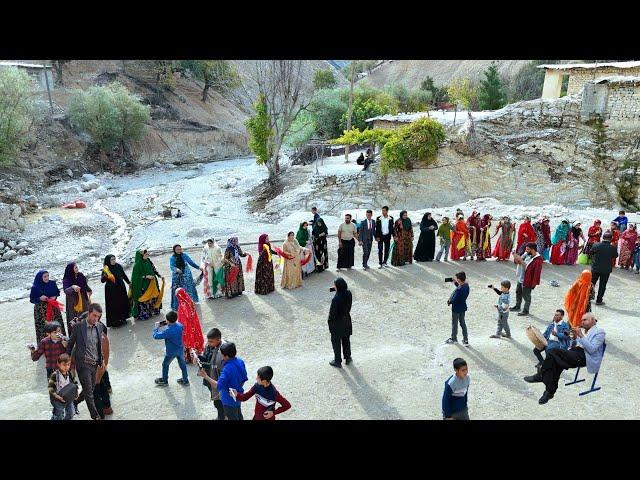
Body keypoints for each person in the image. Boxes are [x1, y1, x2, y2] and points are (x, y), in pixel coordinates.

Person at [525, 313, 605, 404]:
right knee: (556, 362)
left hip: (585, 356)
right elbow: (575, 344)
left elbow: (591, 349)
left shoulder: (599, 332)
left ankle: (541, 376)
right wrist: (574, 337)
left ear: (593, 320)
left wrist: (581, 335)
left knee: (553, 352)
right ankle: (549, 392)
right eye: (582, 320)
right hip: (575, 352)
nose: (582, 322)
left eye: (585, 320)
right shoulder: (582, 330)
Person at [66, 303, 106, 420]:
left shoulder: (99, 327)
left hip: (95, 364)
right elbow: (70, 344)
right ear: (89, 313)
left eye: (98, 316)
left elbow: (98, 346)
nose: (96, 319)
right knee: (89, 393)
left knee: (89, 390)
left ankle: (76, 401)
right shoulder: (78, 327)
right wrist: (67, 362)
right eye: (94, 315)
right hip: (83, 364)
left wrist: (102, 359)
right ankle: (95, 416)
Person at [198, 342, 247, 420]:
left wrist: (205, 376)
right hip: (238, 395)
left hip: (228, 400)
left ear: (226, 356)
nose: (221, 357)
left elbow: (218, 386)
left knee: (232, 416)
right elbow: (244, 379)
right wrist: (238, 389)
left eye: (222, 355)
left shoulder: (226, 369)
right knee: (238, 414)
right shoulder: (241, 362)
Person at [196, 328, 227, 420]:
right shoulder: (209, 346)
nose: (209, 343)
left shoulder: (224, 351)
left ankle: (222, 417)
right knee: (217, 402)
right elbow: (206, 358)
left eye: (211, 341)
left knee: (219, 402)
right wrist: (197, 357)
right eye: (208, 341)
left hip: (218, 381)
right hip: (210, 378)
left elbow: (214, 366)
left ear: (219, 340)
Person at [153, 310, 189, 387]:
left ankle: (164, 380)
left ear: (168, 321)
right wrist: (164, 323)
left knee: (165, 364)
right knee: (183, 365)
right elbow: (172, 323)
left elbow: (156, 336)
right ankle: (185, 380)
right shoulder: (180, 325)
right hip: (180, 349)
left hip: (171, 352)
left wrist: (155, 328)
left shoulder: (168, 331)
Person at [30, 270, 65, 343]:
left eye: (48, 276)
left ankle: (60, 343)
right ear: (40, 277)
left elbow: (57, 292)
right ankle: (45, 345)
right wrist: (40, 298)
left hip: (53, 308)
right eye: (45, 276)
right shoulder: (35, 287)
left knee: (56, 324)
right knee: (44, 327)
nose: (47, 278)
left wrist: (54, 297)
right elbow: (32, 299)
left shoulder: (52, 283)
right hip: (41, 311)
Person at [130, 249, 163, 321]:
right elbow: (135, 278)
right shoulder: (137, 265)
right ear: (141, 255)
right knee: (145, 299)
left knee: (153, 297)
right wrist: (146, 276)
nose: (147, 255)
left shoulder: (148, 261)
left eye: (148, 254)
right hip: (143, 285)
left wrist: (158, 275)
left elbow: (154, 269)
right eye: (146, 254)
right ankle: (144, 314)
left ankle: (153, 311)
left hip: (152, 283)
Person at [512, 243, 543, 316]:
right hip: (521, 278)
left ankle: (526, 310)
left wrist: (534, 284)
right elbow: (518, 262)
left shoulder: (538, 260)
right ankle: (517, 306)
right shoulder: (526, 254)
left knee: (526, 296)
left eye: (527, 249)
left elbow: (534, 272)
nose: (526, 250)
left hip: (528, 280)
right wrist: (515, 256)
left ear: (532, 250)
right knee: (518, 292)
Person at [328, 277, 353, 368]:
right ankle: (348, 358)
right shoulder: (348, 293)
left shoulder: (336, 299)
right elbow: (341, 290)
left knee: (336, 342)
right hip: (346, 321)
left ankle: (337, 361)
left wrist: (329, 322)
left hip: (337, 324)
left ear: (338, 287)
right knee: (346, 340)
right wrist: (331, 289)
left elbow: (332, 314)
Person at [101, 254, 131, 328]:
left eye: (114, 259)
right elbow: (102, 280)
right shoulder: (106, 269)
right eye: (112, 259)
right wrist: (105, 276)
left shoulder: (118, 266)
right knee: (114, 305)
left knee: (122, 303)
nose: (114, 261)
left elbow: (123, 275)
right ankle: (115, 321)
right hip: (111, 290)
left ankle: (123, 318)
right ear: (108, 261)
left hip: (120, 287)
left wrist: (129, 282)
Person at [175, 287, 204, 363]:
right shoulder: (189, 300)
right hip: (194, 324)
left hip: (187, 327)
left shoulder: (182, 304)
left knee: (187, 341)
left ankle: (189, 358)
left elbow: (186, 317)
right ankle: (196, 354)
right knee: (194, 339)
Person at [590, 231, 618, 305]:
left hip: (595, 268)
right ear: (611, 239)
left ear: (603, 237)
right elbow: (615, 256)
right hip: (606, 269)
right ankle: (599, 300)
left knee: (592, 283)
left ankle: (588, 298)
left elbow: (591, 252)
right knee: (602, 285)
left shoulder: (596, 245)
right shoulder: (613, 248)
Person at [48, 353, 79, 420]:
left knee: (71, 413)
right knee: (59, 416)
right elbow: (50, 388)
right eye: (64, 365)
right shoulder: (54, 375)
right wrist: (57, 396)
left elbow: (75, 383)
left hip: (68, 397)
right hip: (57, 399)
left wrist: (76, 393)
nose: (66, 367)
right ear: (58, 364)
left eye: (68, 365)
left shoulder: (69, 373)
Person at [170, 244, 201, 310]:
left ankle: (189, 302)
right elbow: (171, 266)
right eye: (177, 249)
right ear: (174, 250)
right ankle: (179, 304)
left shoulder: (184, 255)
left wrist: (198, 267)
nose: (179, 251)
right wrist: (176, 269)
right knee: (178, 290)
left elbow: (191, 262)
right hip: (177, 277)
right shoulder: (172, 258)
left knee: (189, 288)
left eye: (180, 249)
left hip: (186, 275)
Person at [62, 262, 92, 329]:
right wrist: (72, 287)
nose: (77, 268)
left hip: (83, 299)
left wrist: (89, 290)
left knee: (85, 314)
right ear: (71, 269)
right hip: (73, 302)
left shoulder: (80, 275)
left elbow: (84, 285)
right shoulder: (67, 279)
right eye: (75, 267)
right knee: (75, 317)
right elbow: (66, 290)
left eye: (77, 267)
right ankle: (76, 334)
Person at [93, 317, 113, 418]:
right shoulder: (101, 331)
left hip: (96, 368)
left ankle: (101, 413)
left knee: (97, 390)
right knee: (104, 385)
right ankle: (107, 407)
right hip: (102, 365)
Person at [445, 272, 470, 346]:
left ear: (459, 280)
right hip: (463, 307)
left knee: (454, 324)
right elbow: (460, 287)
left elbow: (455, 299)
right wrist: (455, 283)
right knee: (463, 323)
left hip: (456, 309)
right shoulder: (466, 286)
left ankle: (454, 339)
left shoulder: (459, 289)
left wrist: (449, 301)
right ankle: (465, 340)